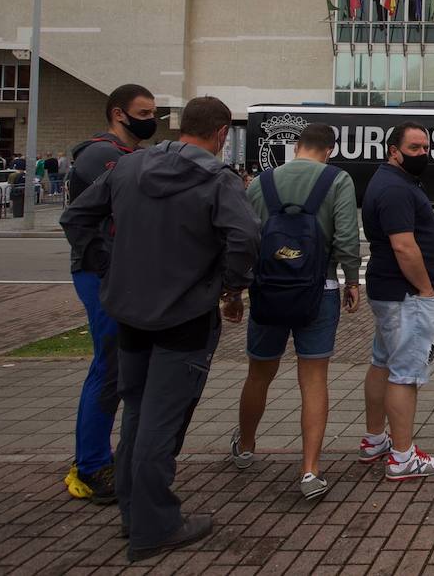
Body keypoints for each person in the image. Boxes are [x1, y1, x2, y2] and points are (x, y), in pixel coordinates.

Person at [60, 96, 258, 562]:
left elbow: (76, 217)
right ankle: (155, 524)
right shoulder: (216, 179)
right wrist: (230, 288)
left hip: (130, 313)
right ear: (222, 133)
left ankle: (133, 513)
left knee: (136, 411)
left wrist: (107, 267)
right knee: (162, 422)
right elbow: (245, 238)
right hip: (184, 317)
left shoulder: (129, 168)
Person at [231, 123, 361, 498]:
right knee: (314, 376)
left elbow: (245, 237)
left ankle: (247, 446)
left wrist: (237, 290)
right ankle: (309, 470)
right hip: (318, 290)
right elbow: (347, 236)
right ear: (329, 150)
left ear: (297, 146)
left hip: (268, 290)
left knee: (259, 372)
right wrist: (351, 280)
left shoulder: (262, 182)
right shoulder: (337, 180)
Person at [360, 123, 434, 480]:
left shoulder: (388, 181)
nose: (423, 153)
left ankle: (375, 439)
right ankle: (402, 456)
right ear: (393, 150)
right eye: (414, 148)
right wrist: (425, 289)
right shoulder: (395, 188)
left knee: (382, 362)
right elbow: (403, 245)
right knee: (405, 373)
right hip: (404, 293)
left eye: (426, 147)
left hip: (389, 290)